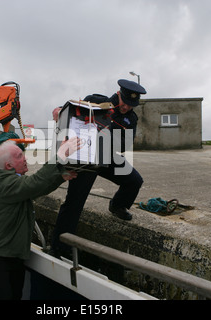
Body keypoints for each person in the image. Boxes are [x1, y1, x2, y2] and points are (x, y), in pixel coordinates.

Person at [0, 138, 80, 300]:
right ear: (8, 166)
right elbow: (33, 184)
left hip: (10, 252)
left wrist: (60, 177)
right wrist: (59, 156)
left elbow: (37, 188)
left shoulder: (12, 182)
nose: (25, 158)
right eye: (19, 156)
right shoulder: (0, 181)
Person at [50, 79, 147, 258]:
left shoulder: (131, 118)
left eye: (131, 105)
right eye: (124, 103)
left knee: (135, 181)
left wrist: (107, 137)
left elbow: (125, 144)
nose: (126, 108)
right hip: (85, 159)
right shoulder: (96, 100)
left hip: (107, 157)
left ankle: (117, 206)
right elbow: (72, 110)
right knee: (74, 203)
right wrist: (59, 110)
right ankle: (58, 247)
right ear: (119, 94)